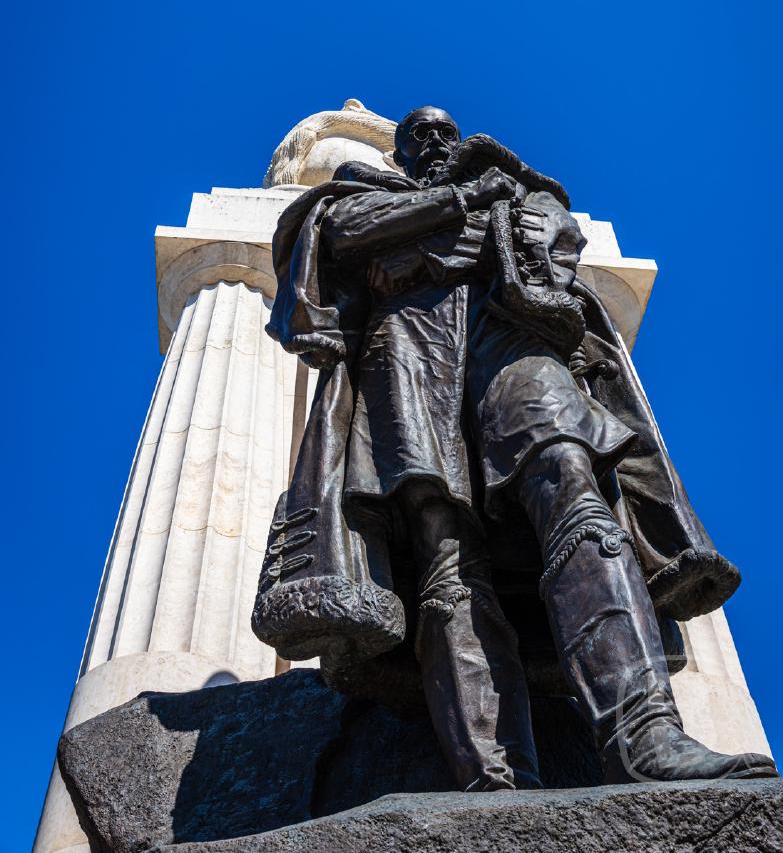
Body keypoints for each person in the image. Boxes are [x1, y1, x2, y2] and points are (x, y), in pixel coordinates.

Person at [254, 106, 777, 787]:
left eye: (445, 132)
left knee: (572, 484)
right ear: (402, 154)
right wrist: (462, 201)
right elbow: (346, 235)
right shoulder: (362, 191)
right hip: (407, 353)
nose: (437, 142)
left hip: (511, 340)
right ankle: (494, 774)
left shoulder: (518, 190)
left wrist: (517, 217)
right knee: (442, 541)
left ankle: (644, 736)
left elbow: (558, 254)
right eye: (419, 136)